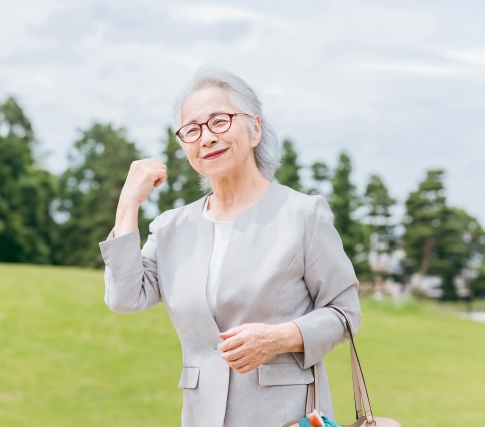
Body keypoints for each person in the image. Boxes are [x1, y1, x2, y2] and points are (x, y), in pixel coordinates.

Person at [98, 66, 361, 427]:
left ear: (255, 128)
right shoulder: (172, 227)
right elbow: (125, 297)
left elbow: (345, 313)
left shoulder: (303, 214)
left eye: (219, 121)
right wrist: (128, 202)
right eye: (191, 130)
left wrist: (280, 337)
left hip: (286, 417)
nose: (206, 138)